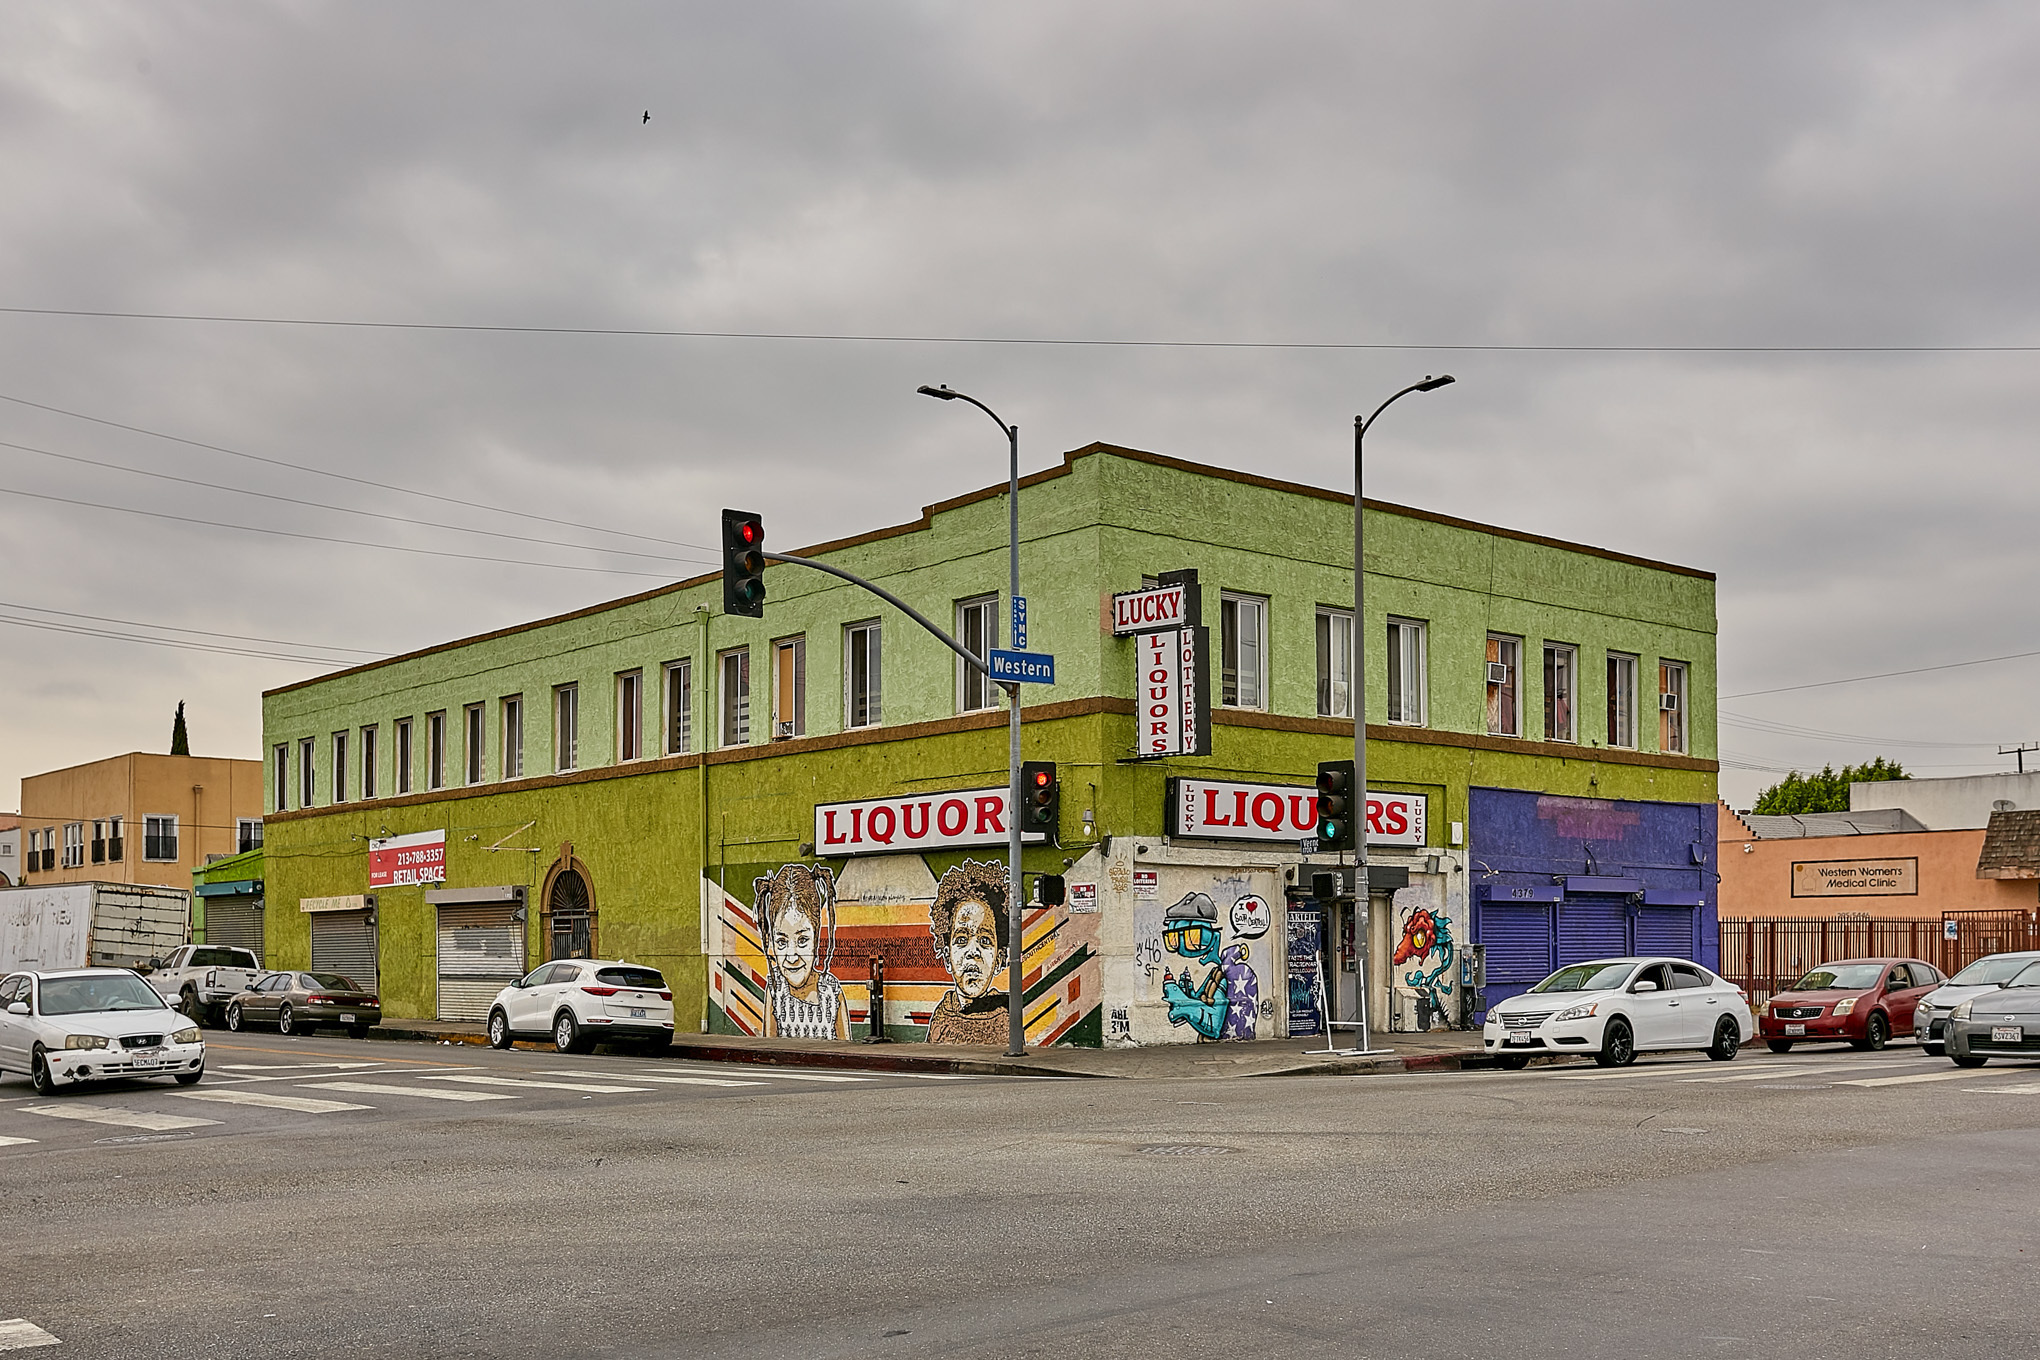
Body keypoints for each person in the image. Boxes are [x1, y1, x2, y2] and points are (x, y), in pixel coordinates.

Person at [756, 862, 849, 1040]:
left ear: (816, 938)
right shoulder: (776, 989)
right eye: (781, 942)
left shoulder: (831, 991)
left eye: (803, 940)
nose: (792, 956)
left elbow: (847, 1049)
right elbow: (769, 1045)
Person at [924, 859, 1012, 1045]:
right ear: (947, 957)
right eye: (962, 940)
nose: (973, 952)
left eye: (985, 941)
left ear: (1000, 959)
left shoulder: (1004, 1019)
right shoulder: (942, 1015)